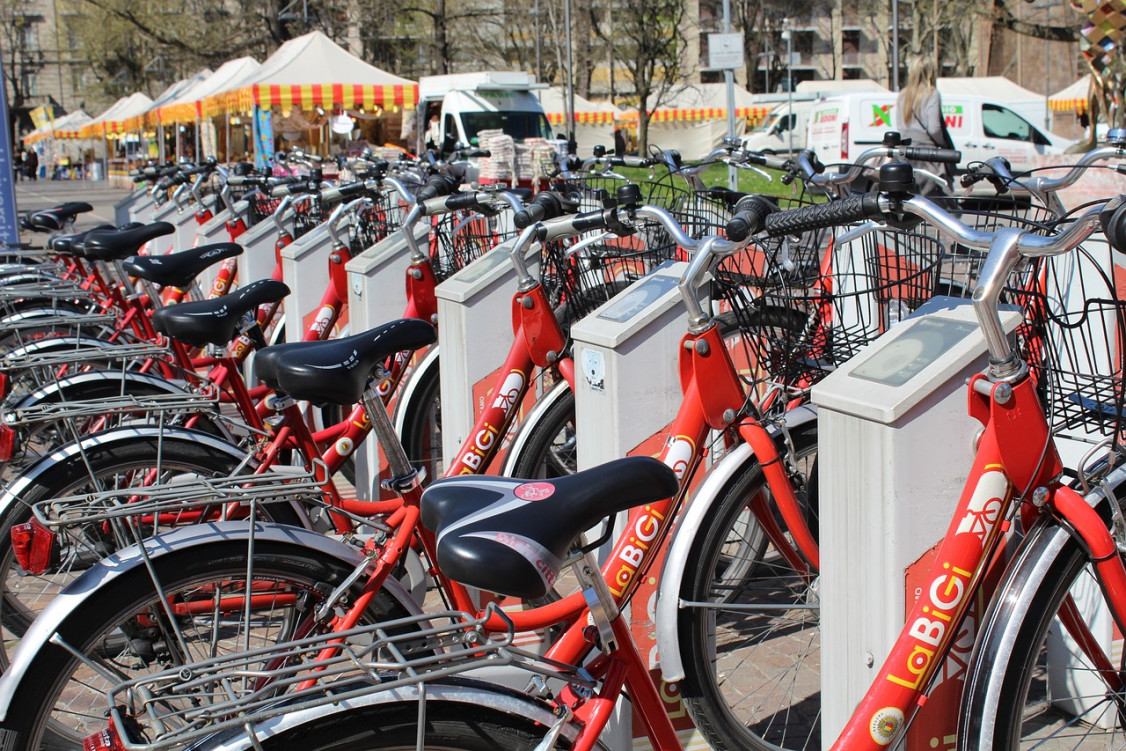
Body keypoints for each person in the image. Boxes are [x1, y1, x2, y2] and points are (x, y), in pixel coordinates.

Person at [894, 55, 955, 195]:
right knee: (934, 199)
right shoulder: (932, 94)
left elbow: (900, 127)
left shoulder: (903, 95)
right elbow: (934, 129)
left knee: (908, 198)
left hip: (906, 154)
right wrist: (942, 144)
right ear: (930, 72)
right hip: (928, 156)